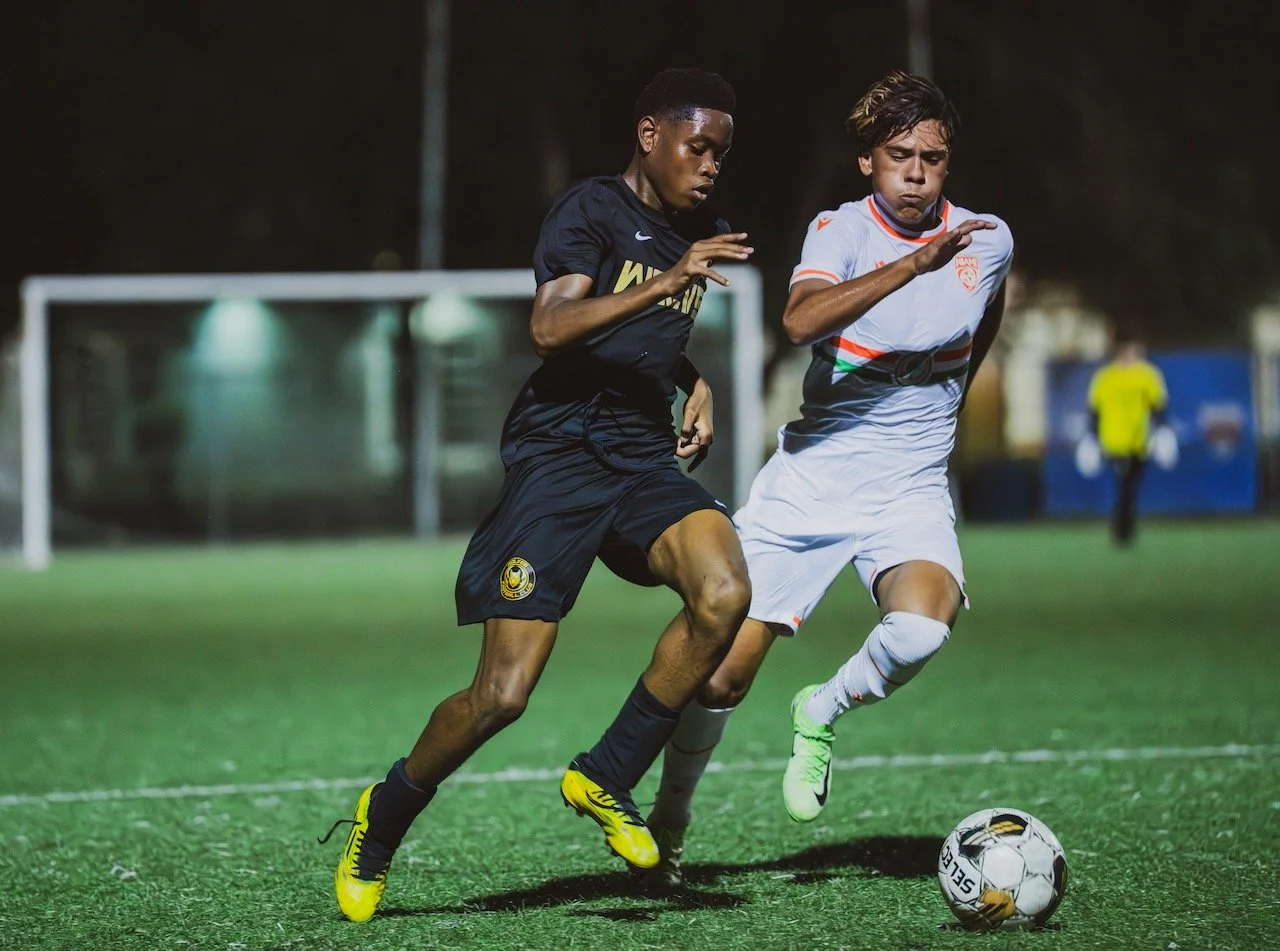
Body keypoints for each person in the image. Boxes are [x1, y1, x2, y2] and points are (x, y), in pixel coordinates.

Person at [323, 66, 754, 923]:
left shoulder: (705, 227)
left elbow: (647, 340)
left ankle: (605, 774)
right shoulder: (589, 211)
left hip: (636, 450)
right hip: (559, 453)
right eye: (697, 146)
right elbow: (552, 328)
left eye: (722, 154)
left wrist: (692, 376)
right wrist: (667, 281)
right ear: (650, 136)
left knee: (726, 592)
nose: (710, 166)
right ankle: (384, 816)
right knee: (502, 696)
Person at [637, 70, 1013, 890]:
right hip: (811, 481)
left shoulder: (987, 239)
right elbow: (802, 320)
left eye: (934, 158)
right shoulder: (838, 231)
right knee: (724, 672)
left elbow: (986, 314)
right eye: (899, 155)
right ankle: (669, 824)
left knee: (921, 629)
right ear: (868, 161)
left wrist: (939, 409)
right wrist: (913, 265)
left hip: (909, 485)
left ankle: (823, 710)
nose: (917, 172)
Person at [1081, 331, 1170, 545]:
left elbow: (1158, 405)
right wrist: (1092, 437)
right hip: (1115, 441)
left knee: (1131, 485)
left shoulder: (1148, 374)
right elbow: (1094, 409)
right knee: (1125, 485)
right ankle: (1123, 531)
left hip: (1140, 441)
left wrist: (1162, 431)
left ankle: (1124, 528)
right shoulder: (1105, 377)